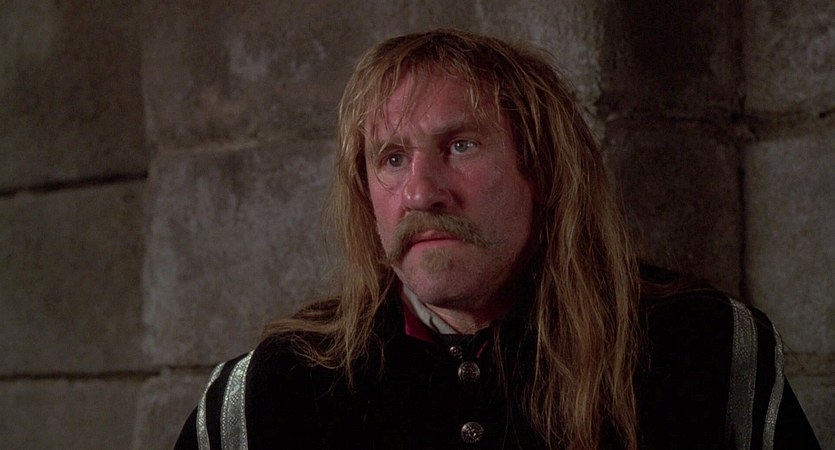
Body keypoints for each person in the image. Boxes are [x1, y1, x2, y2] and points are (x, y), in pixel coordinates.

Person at [175, 29, 820, 449]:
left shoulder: (702, 354)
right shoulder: (270, 394)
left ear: (543, 171)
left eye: (460, 146)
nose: (422, 192)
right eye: (392, 158)